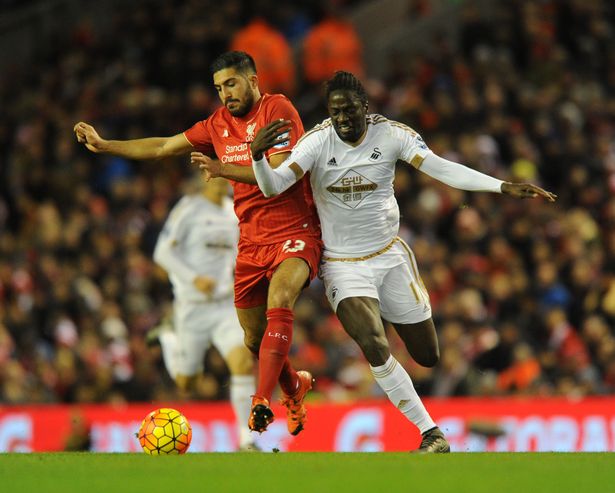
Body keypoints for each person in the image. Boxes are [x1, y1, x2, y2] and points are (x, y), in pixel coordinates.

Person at [200, 70, 557, 453]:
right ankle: (431, 433)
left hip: (389, 257)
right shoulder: (316, 142)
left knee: (427, 356)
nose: (343, 119)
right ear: (328, 113)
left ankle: (427, 418)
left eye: (350, 110)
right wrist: (257, 158)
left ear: (365, 108)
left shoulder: (391, 134)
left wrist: (500, 185)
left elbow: (439, 167)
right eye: (336, 112)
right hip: (341, 263)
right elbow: (273, 186)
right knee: (372, 341)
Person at [74, 51, 323, 436]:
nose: (226, 94)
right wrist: (107, 145)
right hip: (252, 242)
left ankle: (261, 401)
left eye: (232, 84)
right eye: (219, 88)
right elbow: (161, 147)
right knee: (255, 340)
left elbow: (280, 173)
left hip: (295, 230)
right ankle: (294, 387)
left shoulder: (278, 108)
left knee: (280, 299)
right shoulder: (217, 125)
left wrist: (223, 169)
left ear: (253, 80)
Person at [151, 174, 256, 450]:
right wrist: (193, 277)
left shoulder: (232, 212)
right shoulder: (188, 208)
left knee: (243, 363)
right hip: (192, 308)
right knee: (187, 383)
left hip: (224, 305)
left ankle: (247, 440)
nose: (223, 181)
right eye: (216, 175)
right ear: (204, 177)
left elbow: (238, 254)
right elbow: (162, 252)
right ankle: (168, 339)